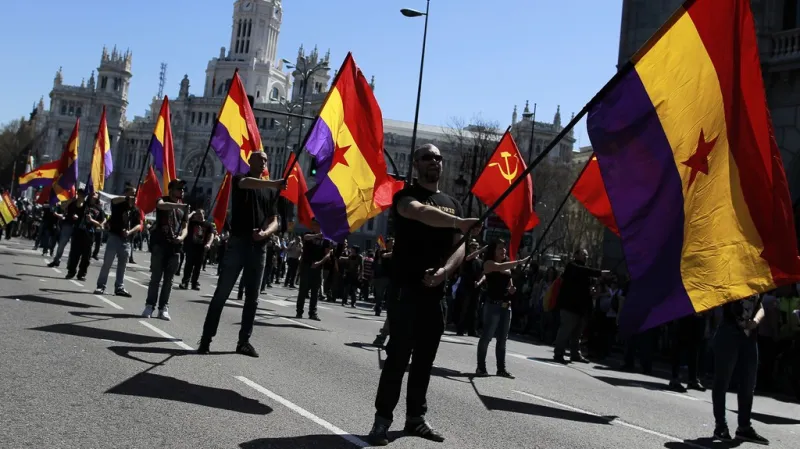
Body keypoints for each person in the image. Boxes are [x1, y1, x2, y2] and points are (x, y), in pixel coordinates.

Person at [368, 144, 480, 446]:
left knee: (424, 362)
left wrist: (445, 272)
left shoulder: (453, 203)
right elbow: (419, 213)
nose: (435, 162)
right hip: (406, 291)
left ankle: (415, 419)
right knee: (397, 358)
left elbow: (460, 247)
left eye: (439, 158)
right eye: (428, 157)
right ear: (416, 163)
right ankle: (381, 421)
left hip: (436, 295)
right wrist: (459, 222)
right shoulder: (406, 196)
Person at [198, 151, 283, 357]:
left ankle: (244, 341)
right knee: (222, 293)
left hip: (259, 247)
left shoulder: (270, 191)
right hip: (238, 243)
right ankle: (206, 339)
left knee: (252, 298)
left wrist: (265, 232)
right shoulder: (239, 179)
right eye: (259, 159)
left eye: (265, 160)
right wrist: (273, 183)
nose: (263, 162)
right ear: (250, 161)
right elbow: (247, 184)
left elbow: (275, 220)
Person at [711, 294, 769, 444]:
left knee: (748, 383)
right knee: (722, 381)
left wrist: (755, 321)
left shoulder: (758, 281)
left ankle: (744, 427)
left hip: (750, 337)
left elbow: (760, 307)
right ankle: (720, 426)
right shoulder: (732, 276)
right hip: (729, 332)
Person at [476, 239, 529, 378]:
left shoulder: (507, 264)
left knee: (502, 340)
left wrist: (511, 289)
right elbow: (499, 267)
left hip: (506, 307)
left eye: (504, 248)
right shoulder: (488, 264)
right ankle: (481, 367)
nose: (503, 251)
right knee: (487, 337)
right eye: (500, 248)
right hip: (492, 305)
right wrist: (519, 262)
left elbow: (509, 280)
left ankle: (501, 369)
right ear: (493, 250)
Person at [142, 180, 189, 320]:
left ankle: (163, 308)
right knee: (155, 278)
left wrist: (181, 238)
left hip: (175, 247)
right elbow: (161, 206)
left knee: (169, 280)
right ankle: (149, 306)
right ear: (171, 190)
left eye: (183, 189)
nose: (181, 191)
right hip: (160, 245)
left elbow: (185, 226)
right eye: (178, 188)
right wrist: (178, 205)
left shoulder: (184, 208)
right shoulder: (163, 200)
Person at [552, 249, 605, 364]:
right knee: (565, 330)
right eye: (583, 254)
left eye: (586, 255)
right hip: (569, 306)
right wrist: (599, 272)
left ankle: (575, 354)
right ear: (575, 255)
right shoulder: (572, 266)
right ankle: (558, 353)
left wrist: (592, 290)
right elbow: (582, 271)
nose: (586, 256)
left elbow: (589, 286)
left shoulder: (587, 273)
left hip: (581, 308)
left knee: (577, 334)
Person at [94, 185, 141, 297]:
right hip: (114, 236)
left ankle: (119, 287)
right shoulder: (119, 204)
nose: (134, 196)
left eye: (135, 194)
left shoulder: (135, 209)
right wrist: (126, 199)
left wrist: (130, 232)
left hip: (126, 240)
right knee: (107, 263)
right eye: (132, 193)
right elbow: (113, 200)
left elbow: (139, 224)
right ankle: (101, 286)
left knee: (122, 265)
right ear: (125, 194)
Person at [65, 190, 105, 281]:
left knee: (86, 256)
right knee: (75, 253)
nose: (93, 195)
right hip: (78, 231)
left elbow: (101, 224)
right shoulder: (83, 203)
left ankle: (82, 273)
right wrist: (74, 215)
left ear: (98, 197)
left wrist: (92, 220)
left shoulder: (99, 209)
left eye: (95, 194)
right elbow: (72, 210)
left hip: (89, 234)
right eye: (92, 193)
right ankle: (71, 271)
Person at [296, 223, 328, 321]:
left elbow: (327, 254)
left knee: (315, 292)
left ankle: (313, 313)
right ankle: (299, 311)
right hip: (306, 266)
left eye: (317, 226)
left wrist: (319, 263)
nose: (314, 227)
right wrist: (316, 235)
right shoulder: (308, 234)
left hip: (317, 268)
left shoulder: (325, 240)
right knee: (303, 291)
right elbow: (306, 237)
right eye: (313, 226)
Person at [178, 208, 213, 290]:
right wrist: (192, 213)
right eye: (196, 214)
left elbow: (211, 235)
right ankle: (185, 282)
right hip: (191, 247)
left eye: (200, 214)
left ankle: (194, 283)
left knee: (197, 267)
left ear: (204, 214)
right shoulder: (192, 223)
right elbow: (185, 219)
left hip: (201, 249)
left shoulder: (208, 225)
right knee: (188, 266)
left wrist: (209, 244)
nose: (198, 215)